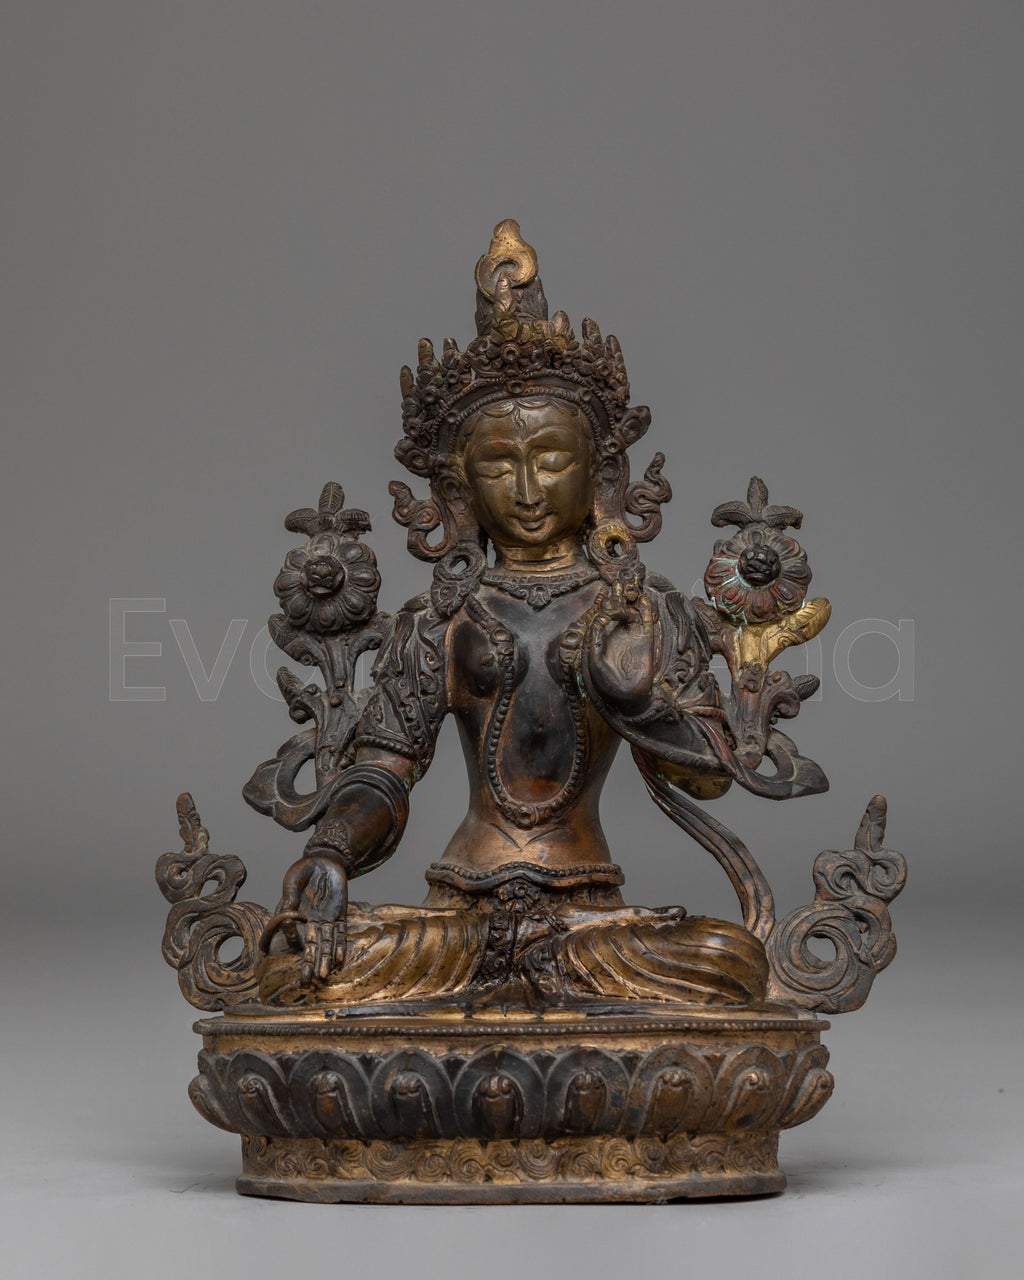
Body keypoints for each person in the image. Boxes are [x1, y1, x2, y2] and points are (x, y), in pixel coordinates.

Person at [250, 221, 827, 1009]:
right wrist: (330, 852)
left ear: (600, 473)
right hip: (458, 911)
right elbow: (384, 774)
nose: (526, 490)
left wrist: (638, 702)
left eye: (552, 460)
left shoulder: (644, 608)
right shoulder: (440, 617)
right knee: (294, 970)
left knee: (728, 962)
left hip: (593, 916)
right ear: (459, 488)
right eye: (499, 465)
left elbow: (706, 779)